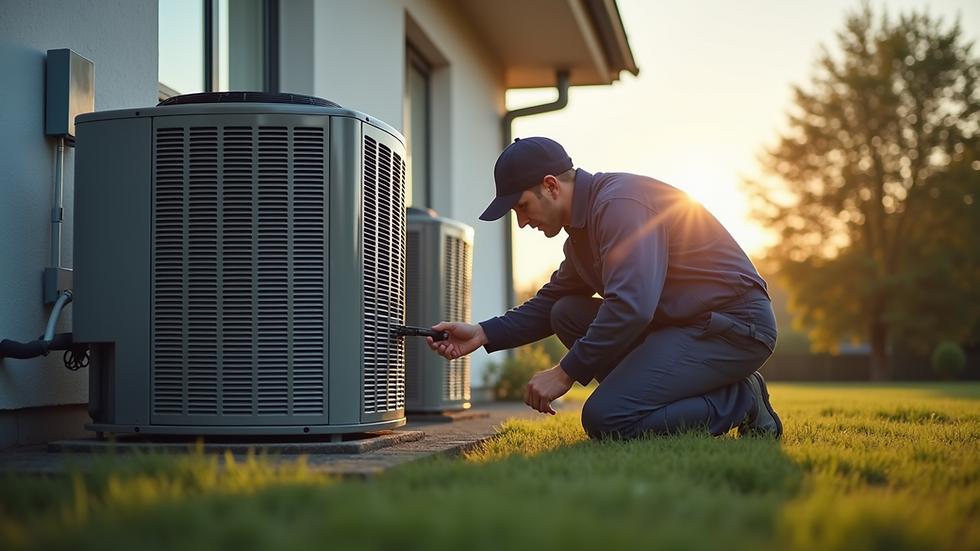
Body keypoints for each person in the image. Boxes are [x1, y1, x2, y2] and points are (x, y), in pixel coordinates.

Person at [427, 137, 781, 439]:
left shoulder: (618, 206)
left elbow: (631, 306)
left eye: (522, 206)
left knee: (607, 418)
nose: (521, 222)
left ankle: (740, 398)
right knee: (564, 312)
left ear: (551, 186)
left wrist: (564, 372)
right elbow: (550, 301)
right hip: (684, 326)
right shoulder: (583, 233)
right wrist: (483, 333)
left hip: (734, 326)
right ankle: (665, 396)